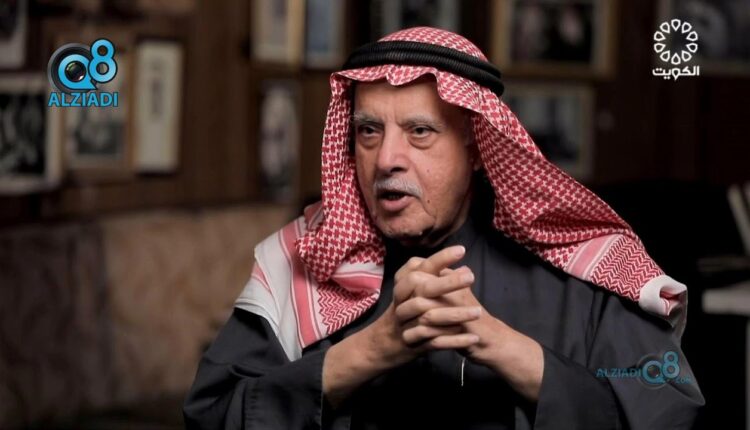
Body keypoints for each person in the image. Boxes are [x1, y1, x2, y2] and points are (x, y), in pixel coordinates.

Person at [183, 27, 704, 429]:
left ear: (477, 146)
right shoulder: (305, 258)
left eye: (420, 131)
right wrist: (369, 351)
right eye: (369, 131)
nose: (387, 158)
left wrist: (504, 347)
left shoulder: (585, 262)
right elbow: (212, 415)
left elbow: (669, 412)